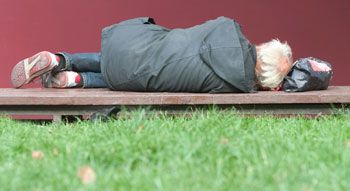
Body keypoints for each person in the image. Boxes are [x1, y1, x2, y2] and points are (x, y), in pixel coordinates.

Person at [11, 17, 292, 93]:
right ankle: (77, 80)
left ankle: (61, 60)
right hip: (132, 79)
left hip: (129, 46)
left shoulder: (226, 26)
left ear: (263, 47)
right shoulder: (235, 86)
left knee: (143, 52)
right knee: (142, 73)